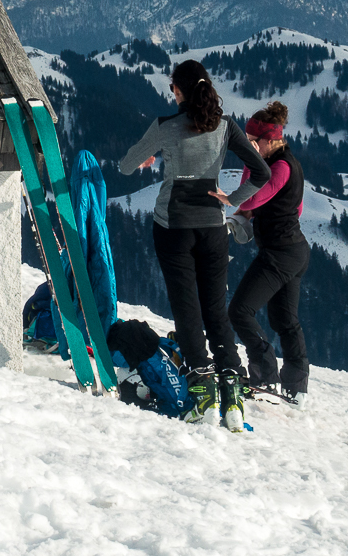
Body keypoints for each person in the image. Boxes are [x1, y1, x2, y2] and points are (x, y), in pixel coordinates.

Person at [116, 58, 274, 428]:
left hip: (172, 228)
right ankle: (232, 397)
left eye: (172, 88)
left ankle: (201, 392)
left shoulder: (165, 127)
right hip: (213, 229)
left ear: (179, 90)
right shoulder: (225, 127)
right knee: (215, 310)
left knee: (186, 309)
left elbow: (126, 165)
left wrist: (153, 156)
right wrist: (233, 199)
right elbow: (263, 172)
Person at [228, 102, 312, 405]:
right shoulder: (281, 162)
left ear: (270, 140)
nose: (249, 145)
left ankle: (265, 375)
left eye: (254, 140)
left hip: (280, 254)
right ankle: (296, 386)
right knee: (284, 320)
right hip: (293, 251)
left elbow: (251, 198)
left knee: (239, 310)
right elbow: (296, 208)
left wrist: (238, 205)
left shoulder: (281, 166)